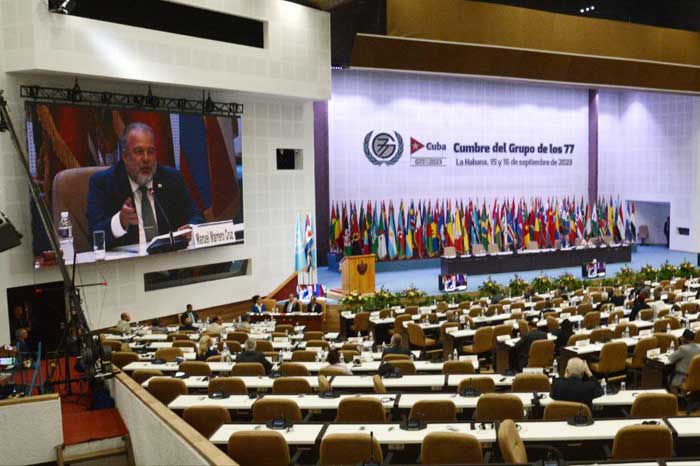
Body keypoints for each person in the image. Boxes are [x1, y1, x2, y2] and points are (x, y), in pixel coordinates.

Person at [86, 122, 204, 250]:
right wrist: (120, 222)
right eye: (139, 152)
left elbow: (196, 216)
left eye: (151, 152)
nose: (146, 159)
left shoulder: (171, 179)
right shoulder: (104, 183)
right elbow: (94, 235)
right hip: (127, 266)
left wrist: (191, 228)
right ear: (125, 156)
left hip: (170, 262)